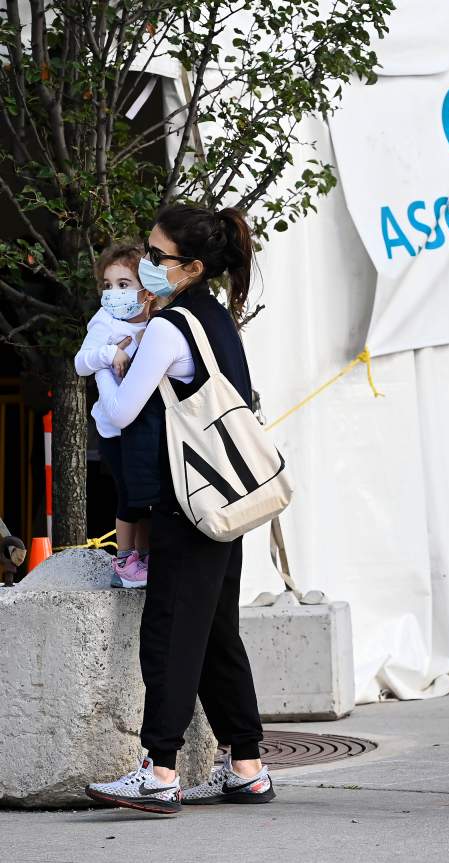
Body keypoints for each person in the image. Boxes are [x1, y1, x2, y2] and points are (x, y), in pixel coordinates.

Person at [84, 205, 274, 815]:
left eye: (157, 256)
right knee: (217, 634)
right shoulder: (216, 319)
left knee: (168, 632)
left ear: (190, 268)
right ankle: (246, 765)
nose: (145, 264)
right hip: (223, 497)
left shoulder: (169, 328)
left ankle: (160, 771)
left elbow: (119, 413)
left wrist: (108, 374)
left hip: (183, 502)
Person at [74, 243, 155, 589]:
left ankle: (144, 557)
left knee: (146, 497)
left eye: (124, 284)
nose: (113, 293)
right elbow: (81, 362)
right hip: (113, 431)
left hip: (144, 429)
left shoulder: (156, 324)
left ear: (147, 290)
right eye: (108, 285)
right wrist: (110, 353)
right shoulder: (104, 323)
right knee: (129, 494)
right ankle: (124, 561)